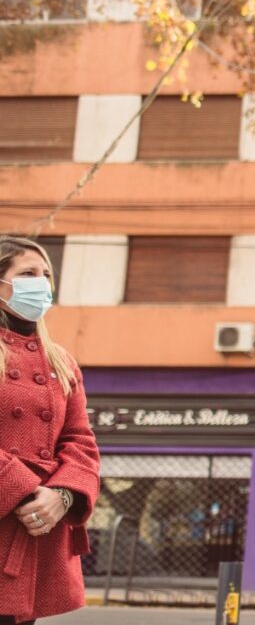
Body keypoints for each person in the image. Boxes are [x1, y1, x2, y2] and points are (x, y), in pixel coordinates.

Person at [0, 236, 101, 625]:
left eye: (45, 275)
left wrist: (62, 495)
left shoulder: (61, 361)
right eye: (27, 273)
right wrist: (26, 490)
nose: (40, 283)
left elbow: (80, 440)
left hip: (34, 534)